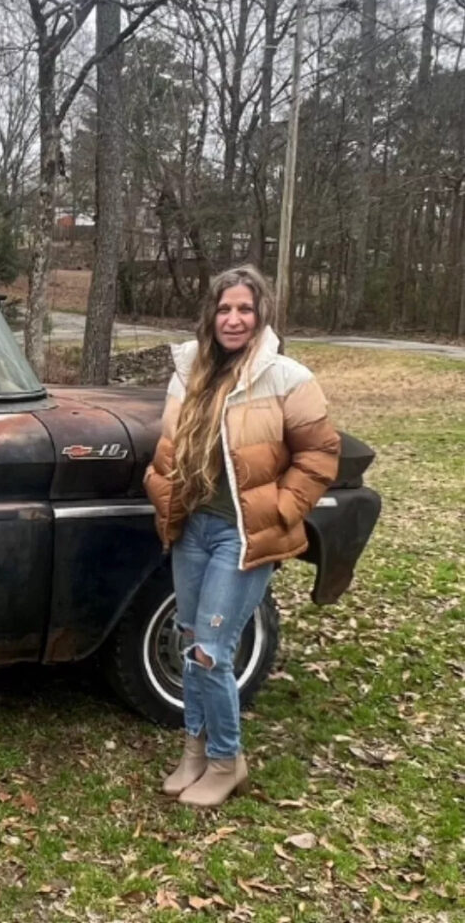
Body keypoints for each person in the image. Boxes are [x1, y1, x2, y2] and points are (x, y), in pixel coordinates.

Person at [144, 265, 340, 807]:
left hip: (242, 534)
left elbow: (320, 454)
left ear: (261, 316)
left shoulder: (286, 377)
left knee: (210, 651)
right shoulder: (189, 371)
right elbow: (170, 444)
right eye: (225, 308)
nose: (233, 319)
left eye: (245, 309)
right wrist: (160, 486)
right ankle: (194, 752)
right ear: (211, 314)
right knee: (189, 643)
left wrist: (283, 508)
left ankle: (228, 759)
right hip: (194, 528)